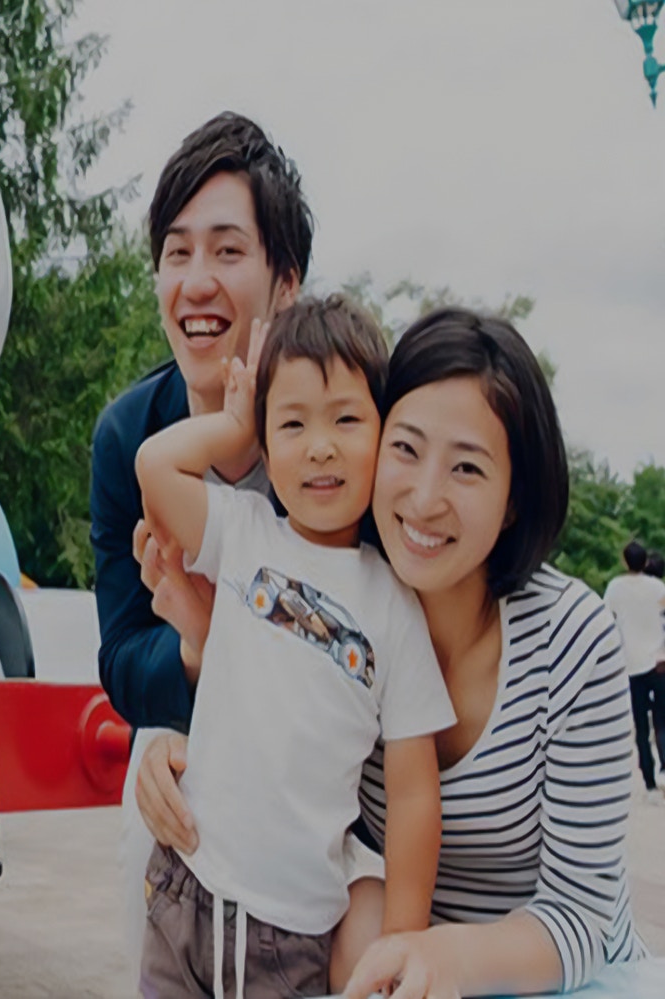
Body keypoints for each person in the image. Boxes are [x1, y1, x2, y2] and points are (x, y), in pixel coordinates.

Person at [136, 308, 648, 997]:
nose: (425, 497)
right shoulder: (338, 599)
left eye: (467, 466)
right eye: (406, 449)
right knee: (356, 929)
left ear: (514, 498)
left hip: (560, 974)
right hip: (402, 966)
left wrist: (433, 952)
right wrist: (177, 740)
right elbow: (270, 724)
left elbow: (580, 915)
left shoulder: (573, 641)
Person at [134, 297, 454, 998]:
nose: (319, 445)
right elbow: (155, 465)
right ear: (266, 442)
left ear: (384, 431)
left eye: (346, 418)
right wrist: (231, 425)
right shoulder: (244, 532)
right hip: (184, 882)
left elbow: (413, 792)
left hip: (291, 934)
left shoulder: (394, 606)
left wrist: (402, 940)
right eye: (292, 422)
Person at [88, 112, 312, 971]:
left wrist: (226, 642)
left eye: (227, 251)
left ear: (284, 282)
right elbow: (122, 657)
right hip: (185, 731)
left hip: (319, 756)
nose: (196, 282)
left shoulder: (338, 434)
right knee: (148, 842)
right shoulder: (127, 439)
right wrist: (190, 655)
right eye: (176, 253)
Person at [604, 540, 665, 804]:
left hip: (631, 665)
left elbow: (607, 618)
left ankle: (650, 784)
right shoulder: (658, 587)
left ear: (625, 561)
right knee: (662, 722)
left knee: (641, 727)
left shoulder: (616, 587)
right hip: (660, 662)